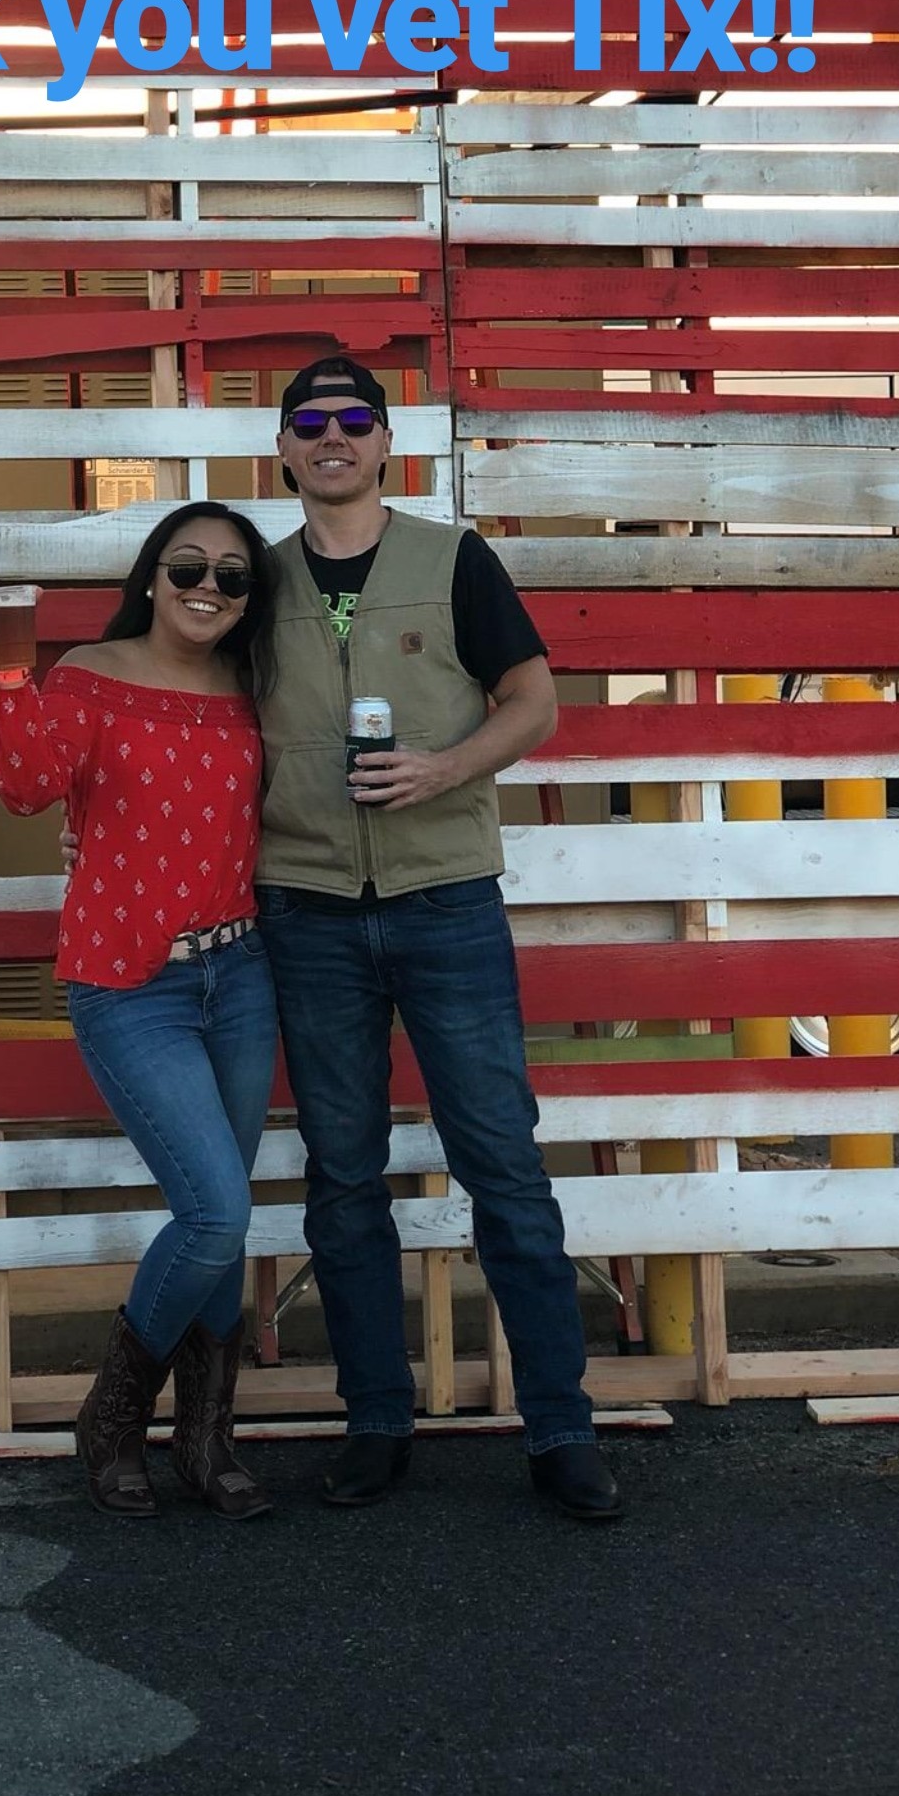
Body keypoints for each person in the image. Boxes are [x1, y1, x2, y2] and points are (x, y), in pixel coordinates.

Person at [253, 356, 621, 1522]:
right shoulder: (255, 581)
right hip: (307, 905)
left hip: (445, 900)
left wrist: (448, 767)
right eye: (310, 420)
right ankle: (376, 1419)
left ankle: (560, 1428)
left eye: (353, 417)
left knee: (502, 1163)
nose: (333, 435)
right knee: (343, 1175)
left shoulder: (453, 558)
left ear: (385, 440)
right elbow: (189, 719)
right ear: (284, 447)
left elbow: (534, 700)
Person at [0, 502, 280, 1523]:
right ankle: (112, 1417)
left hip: (242, 974)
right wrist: (10, 670)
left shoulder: (255, 687)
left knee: (223, 1219)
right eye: (188, 566)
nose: (208, 587)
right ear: (152, 574)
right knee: (217, 1209)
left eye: (232, 575)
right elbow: (27, 788)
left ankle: (206, 1438)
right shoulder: (88, 675)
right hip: (128, 979)